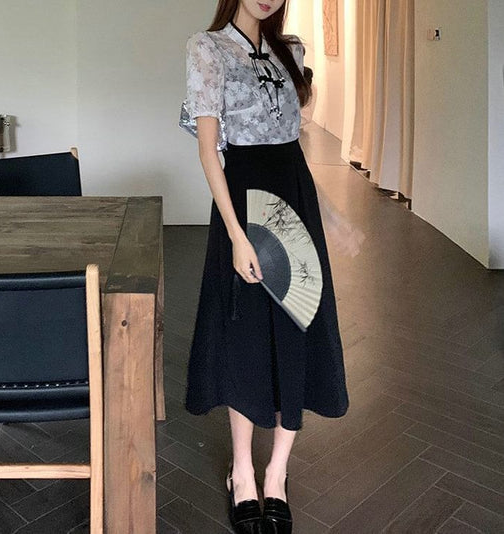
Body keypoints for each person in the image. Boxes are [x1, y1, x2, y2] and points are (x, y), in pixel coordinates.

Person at [182, 1, 349, 532]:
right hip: (244, 202)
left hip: (295, 201)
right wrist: (236, 236)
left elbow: (295, 150)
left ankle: (276, 472)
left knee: (295, 328)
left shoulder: (290, 51)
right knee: (246, 335)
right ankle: (242, 471)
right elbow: (209, 151)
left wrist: (332, 216)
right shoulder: (208, 48)